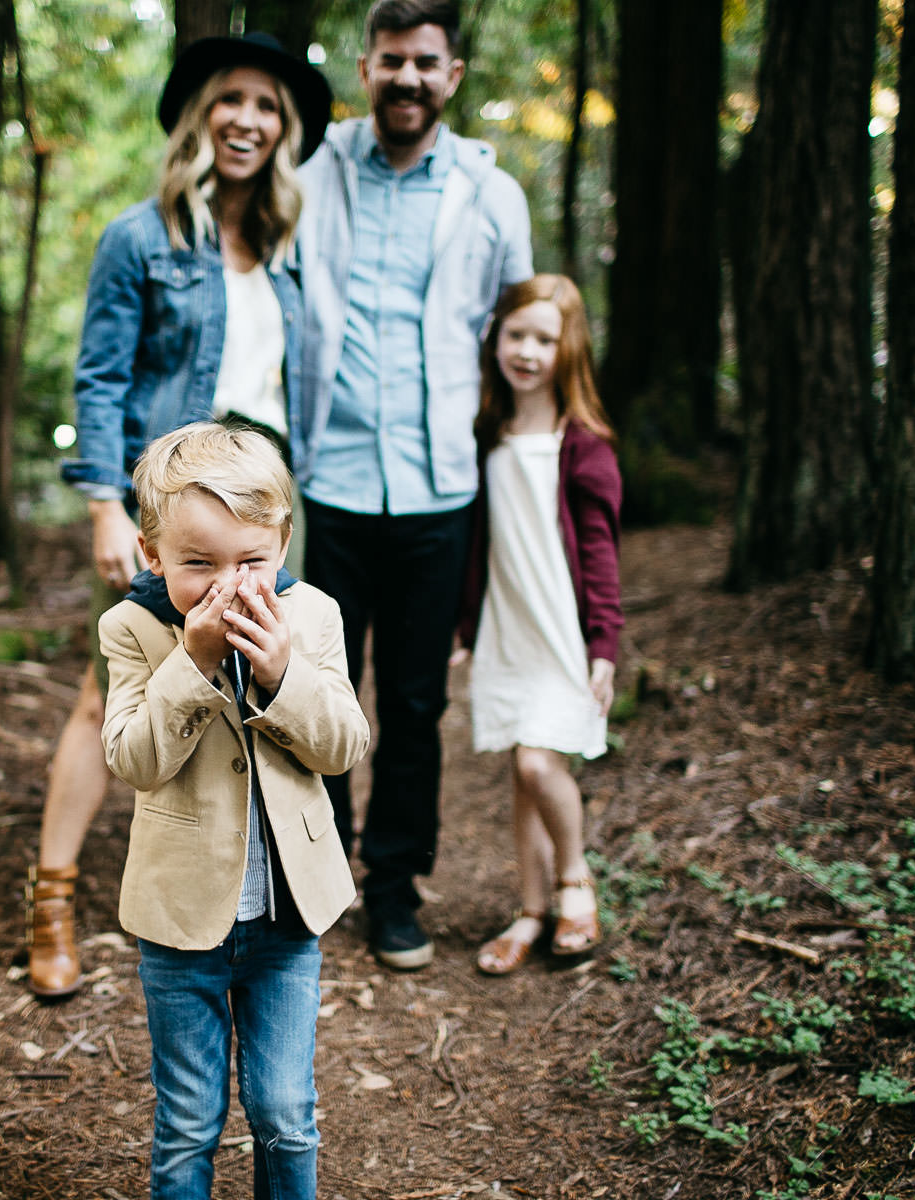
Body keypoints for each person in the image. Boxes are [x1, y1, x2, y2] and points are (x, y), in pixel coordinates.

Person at [25, 34, 332, 999]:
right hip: (167, 505)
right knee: (102, 691)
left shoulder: (287, 251)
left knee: (254, 686)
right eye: (232, 99)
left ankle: (255, 902)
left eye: (268, 107)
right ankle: (53, 901)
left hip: (262, 505)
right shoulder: (139, 237)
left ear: (284, 134)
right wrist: (107, 507)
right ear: (200, 114)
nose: (248, 119)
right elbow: (102, 378)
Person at [293, 0, 533, 969]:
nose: (409, 78)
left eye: (427, 63)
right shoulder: (310, 176)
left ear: (454, 76)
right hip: (328, 485)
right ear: (365, 68)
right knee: (319, 696)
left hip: (441, 490)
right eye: (392, 60)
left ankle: (393, 891)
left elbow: (518, 334)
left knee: (417, 705)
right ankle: (314, 882)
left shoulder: (491, 194)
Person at [100, 422, 368, 1200]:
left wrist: (283, 673)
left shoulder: (312, 617)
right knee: (188, 1120)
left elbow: (344, 745)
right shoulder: (132, 629)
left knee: (285, 1109)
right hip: (180, 923)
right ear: (152, 553)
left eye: (251, 560)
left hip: (287, 922)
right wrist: (195, 660)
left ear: (282, 543)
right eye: (198, 564)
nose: (229, 583)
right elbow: (134, 760)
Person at [455, 275, 623, 972]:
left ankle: (574, 879)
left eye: (544, 339)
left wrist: (604, 647)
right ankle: (530, 910)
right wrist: (464, 632)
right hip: (507, 629)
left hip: (561, 632)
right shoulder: (486, 432)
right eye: (516, 334)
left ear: (568, 348)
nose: (527, 351)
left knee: (538, 759)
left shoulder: (582, 444)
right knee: (520, 775)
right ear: (497, 339)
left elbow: (601, 551)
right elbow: (477, 544)